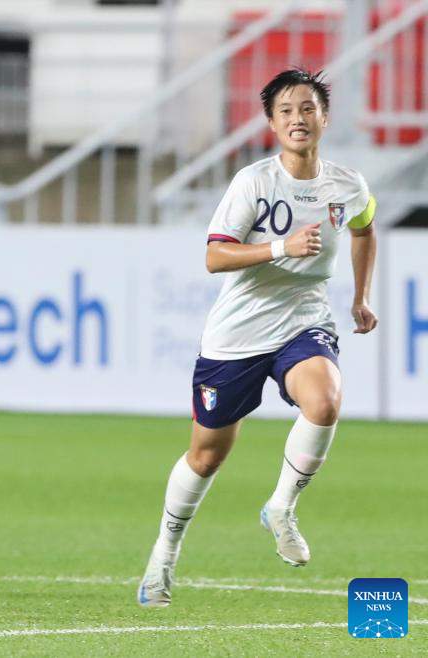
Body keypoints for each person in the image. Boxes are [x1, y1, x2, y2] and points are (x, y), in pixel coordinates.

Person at [137, 68, 378, 608]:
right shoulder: (254, 183)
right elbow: (214, 256)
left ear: (325, 118)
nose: (298, 118)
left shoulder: (348, 185)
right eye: (286, 110)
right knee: (206, 456)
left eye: (308, 108)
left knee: (325, 401)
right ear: (271, 123)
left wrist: (361, 297)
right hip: (238, 333)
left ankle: (281, 508)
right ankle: (164, 554)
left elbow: (364, 229)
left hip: (304, 321)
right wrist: (280, 248)